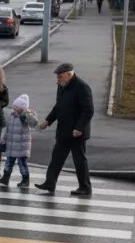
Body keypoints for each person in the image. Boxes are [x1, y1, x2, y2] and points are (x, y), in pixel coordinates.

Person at [36, 63, 94, 196]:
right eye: (57, 77)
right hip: (63, 131)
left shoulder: (82, 87)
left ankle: (85, 187)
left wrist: (79, 128)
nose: (58, 79)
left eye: (60, 76)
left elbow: (88, 110)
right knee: (56, 157)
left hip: (77, 133)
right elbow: (59, 106)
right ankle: (50, 183)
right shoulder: (62, 86)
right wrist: (48, 120)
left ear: (69, 74)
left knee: (79, 161)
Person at [0, 94, 38, 188]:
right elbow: (8, 130)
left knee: (22, 164)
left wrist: (26, 113)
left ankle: (25, 179)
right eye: (14, 107)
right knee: (8, 162)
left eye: (16, 107)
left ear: (22, 108)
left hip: (22, 145)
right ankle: (5, 178)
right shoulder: (12, 116)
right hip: (11, 144)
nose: (14, 109)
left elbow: (34, 123)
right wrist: (3, 140)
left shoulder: (25, 116)